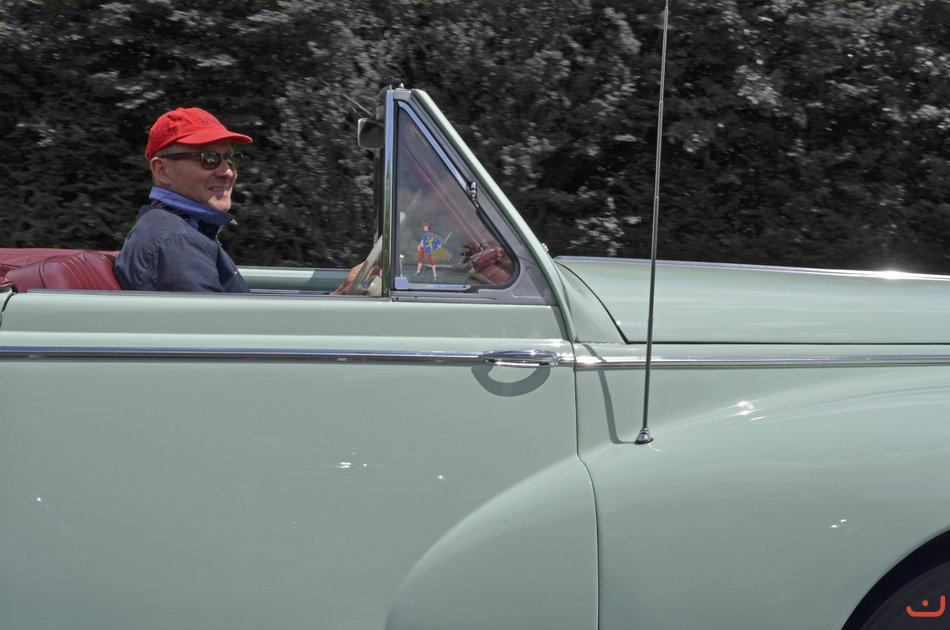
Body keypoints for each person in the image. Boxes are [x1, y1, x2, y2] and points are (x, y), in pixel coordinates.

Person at [115, 107, 364, 293]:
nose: (227, 172)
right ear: (162, 171)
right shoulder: (175, 243)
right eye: (208, 159)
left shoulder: (184, 231)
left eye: (230, 159)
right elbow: (223, 336)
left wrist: (338, 295)